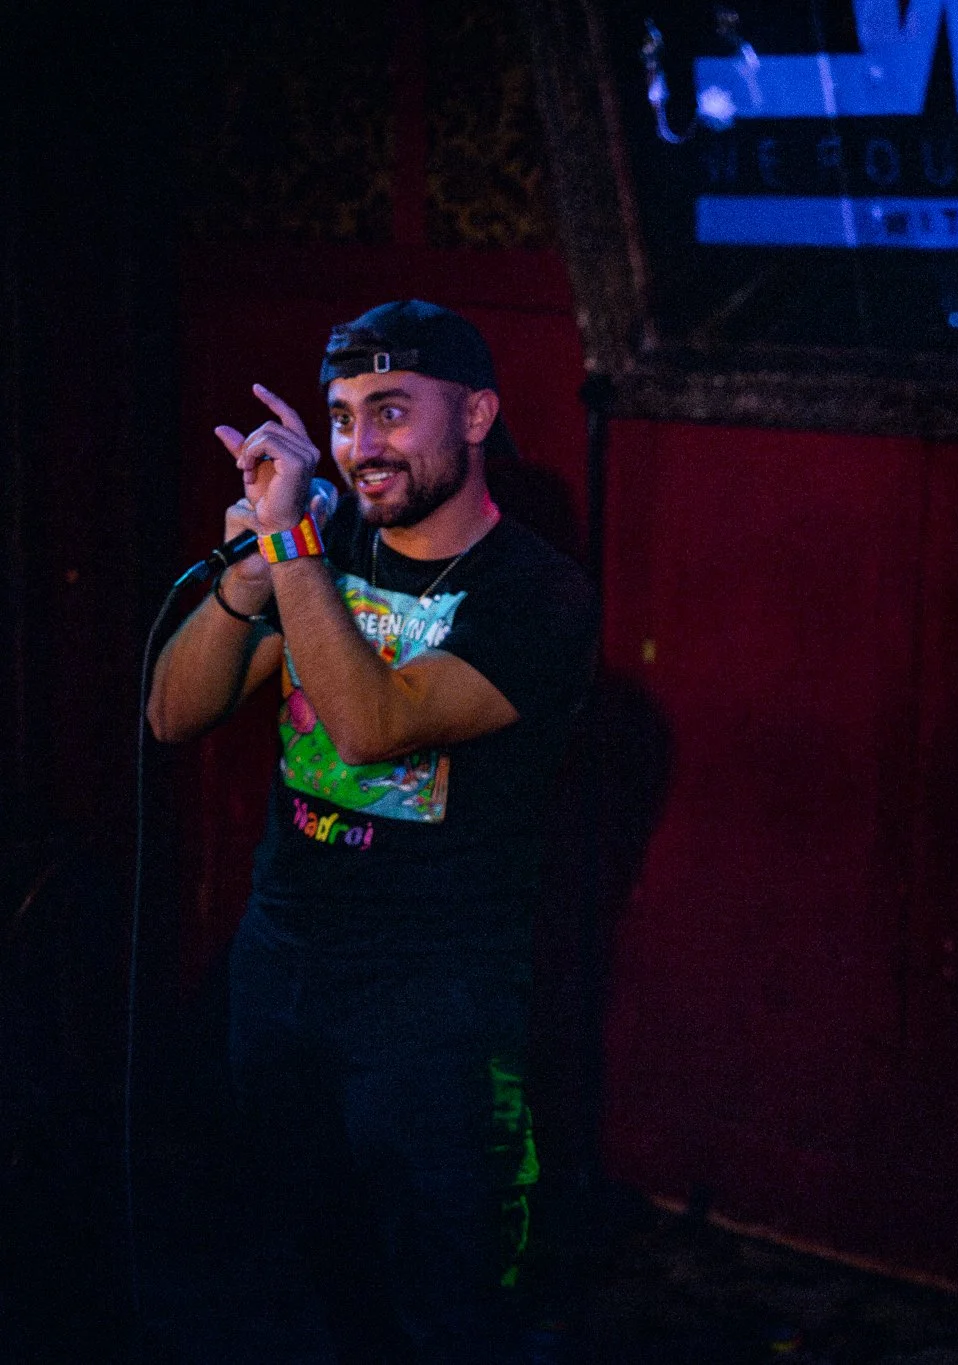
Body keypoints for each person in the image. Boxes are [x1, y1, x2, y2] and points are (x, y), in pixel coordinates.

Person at [147, 300, 599, 1361]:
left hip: (435, 1000)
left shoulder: (537, 594)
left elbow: (369, 728)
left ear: (477, 413)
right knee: (293, 1276)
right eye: (343, 417)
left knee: (444, 1304)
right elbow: (171, 712)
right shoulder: (324, 546)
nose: (360, 448)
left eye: (392, 412)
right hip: (283, 963)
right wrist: (251, 573)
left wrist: (292, 543)